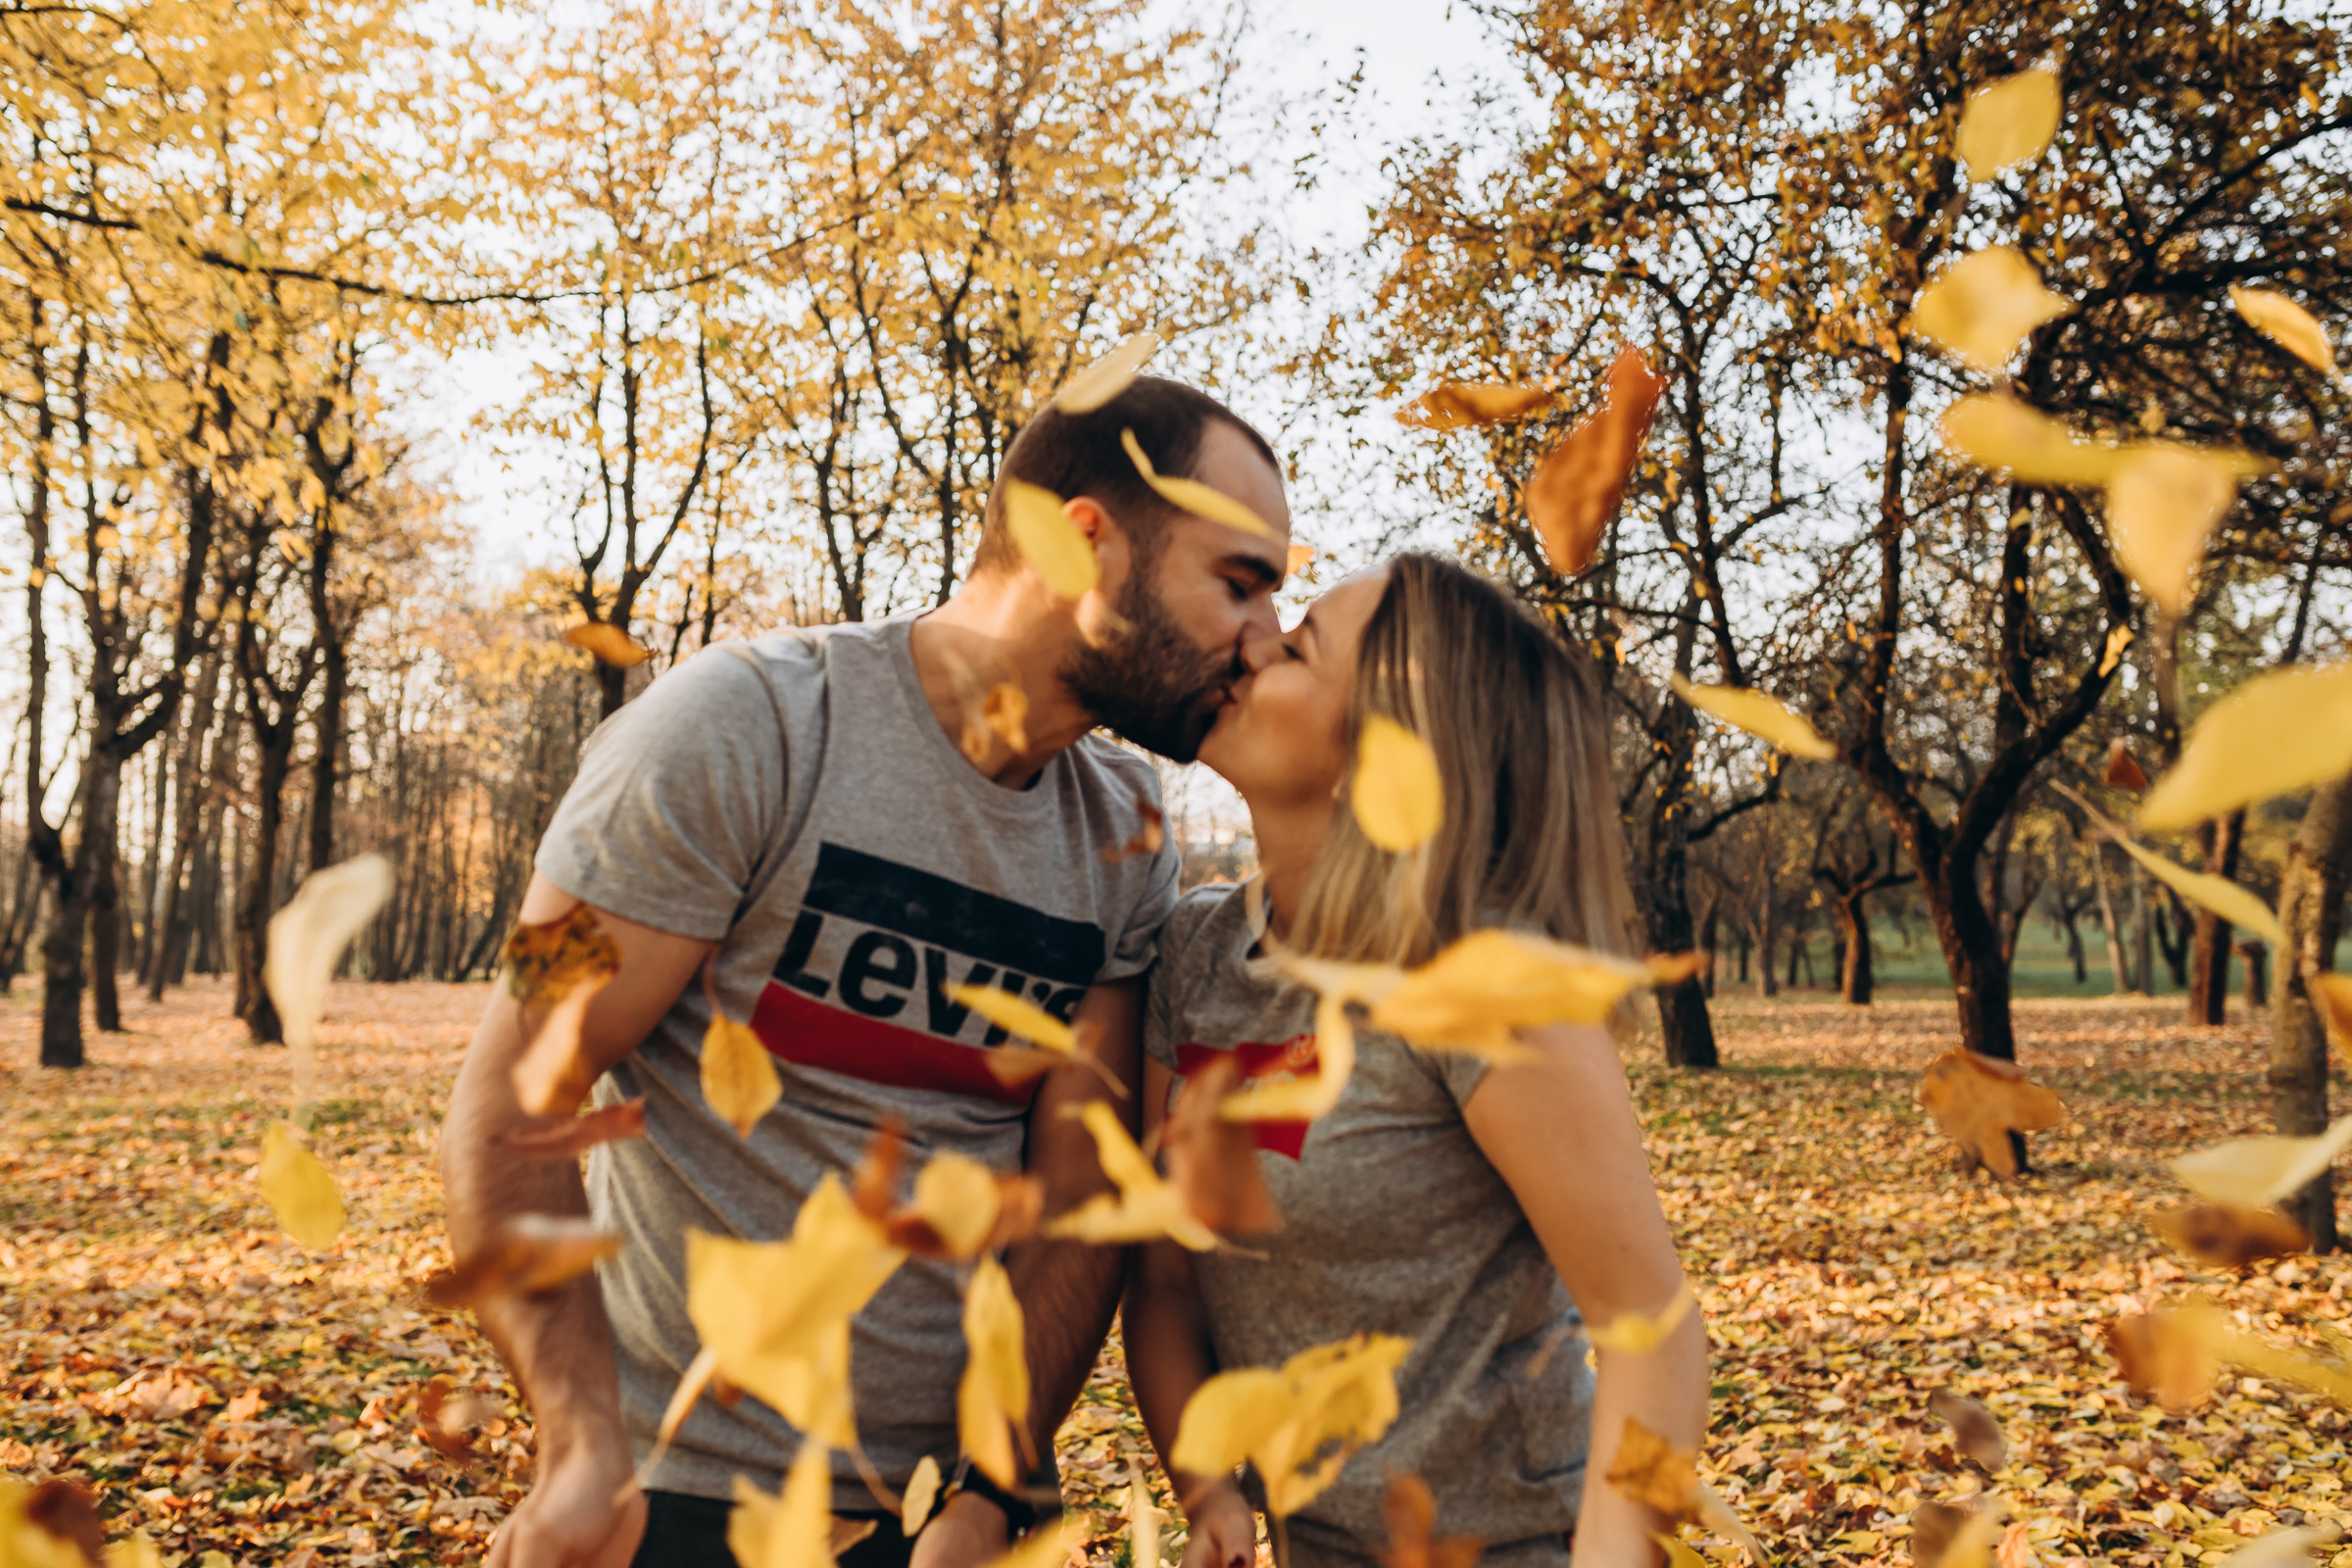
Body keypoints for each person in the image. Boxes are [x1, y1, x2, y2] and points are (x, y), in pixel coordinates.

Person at [440, 376, 1294, 1568]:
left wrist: (997, 1484)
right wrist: (579, 1444)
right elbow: (511, 1102)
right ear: (1081, 537)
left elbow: (1075, 1190)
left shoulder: (1125, 829)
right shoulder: (740, 730)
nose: (1260, 637)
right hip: (673, 1493)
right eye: (1240, 581)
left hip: (943, 1519)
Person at [1123, 553, 1708, 1568]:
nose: (1248, 641)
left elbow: (1649, 1330)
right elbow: (1165, 1275)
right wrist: (1207, 1484)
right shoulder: (1194, 955)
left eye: (1297, 645)